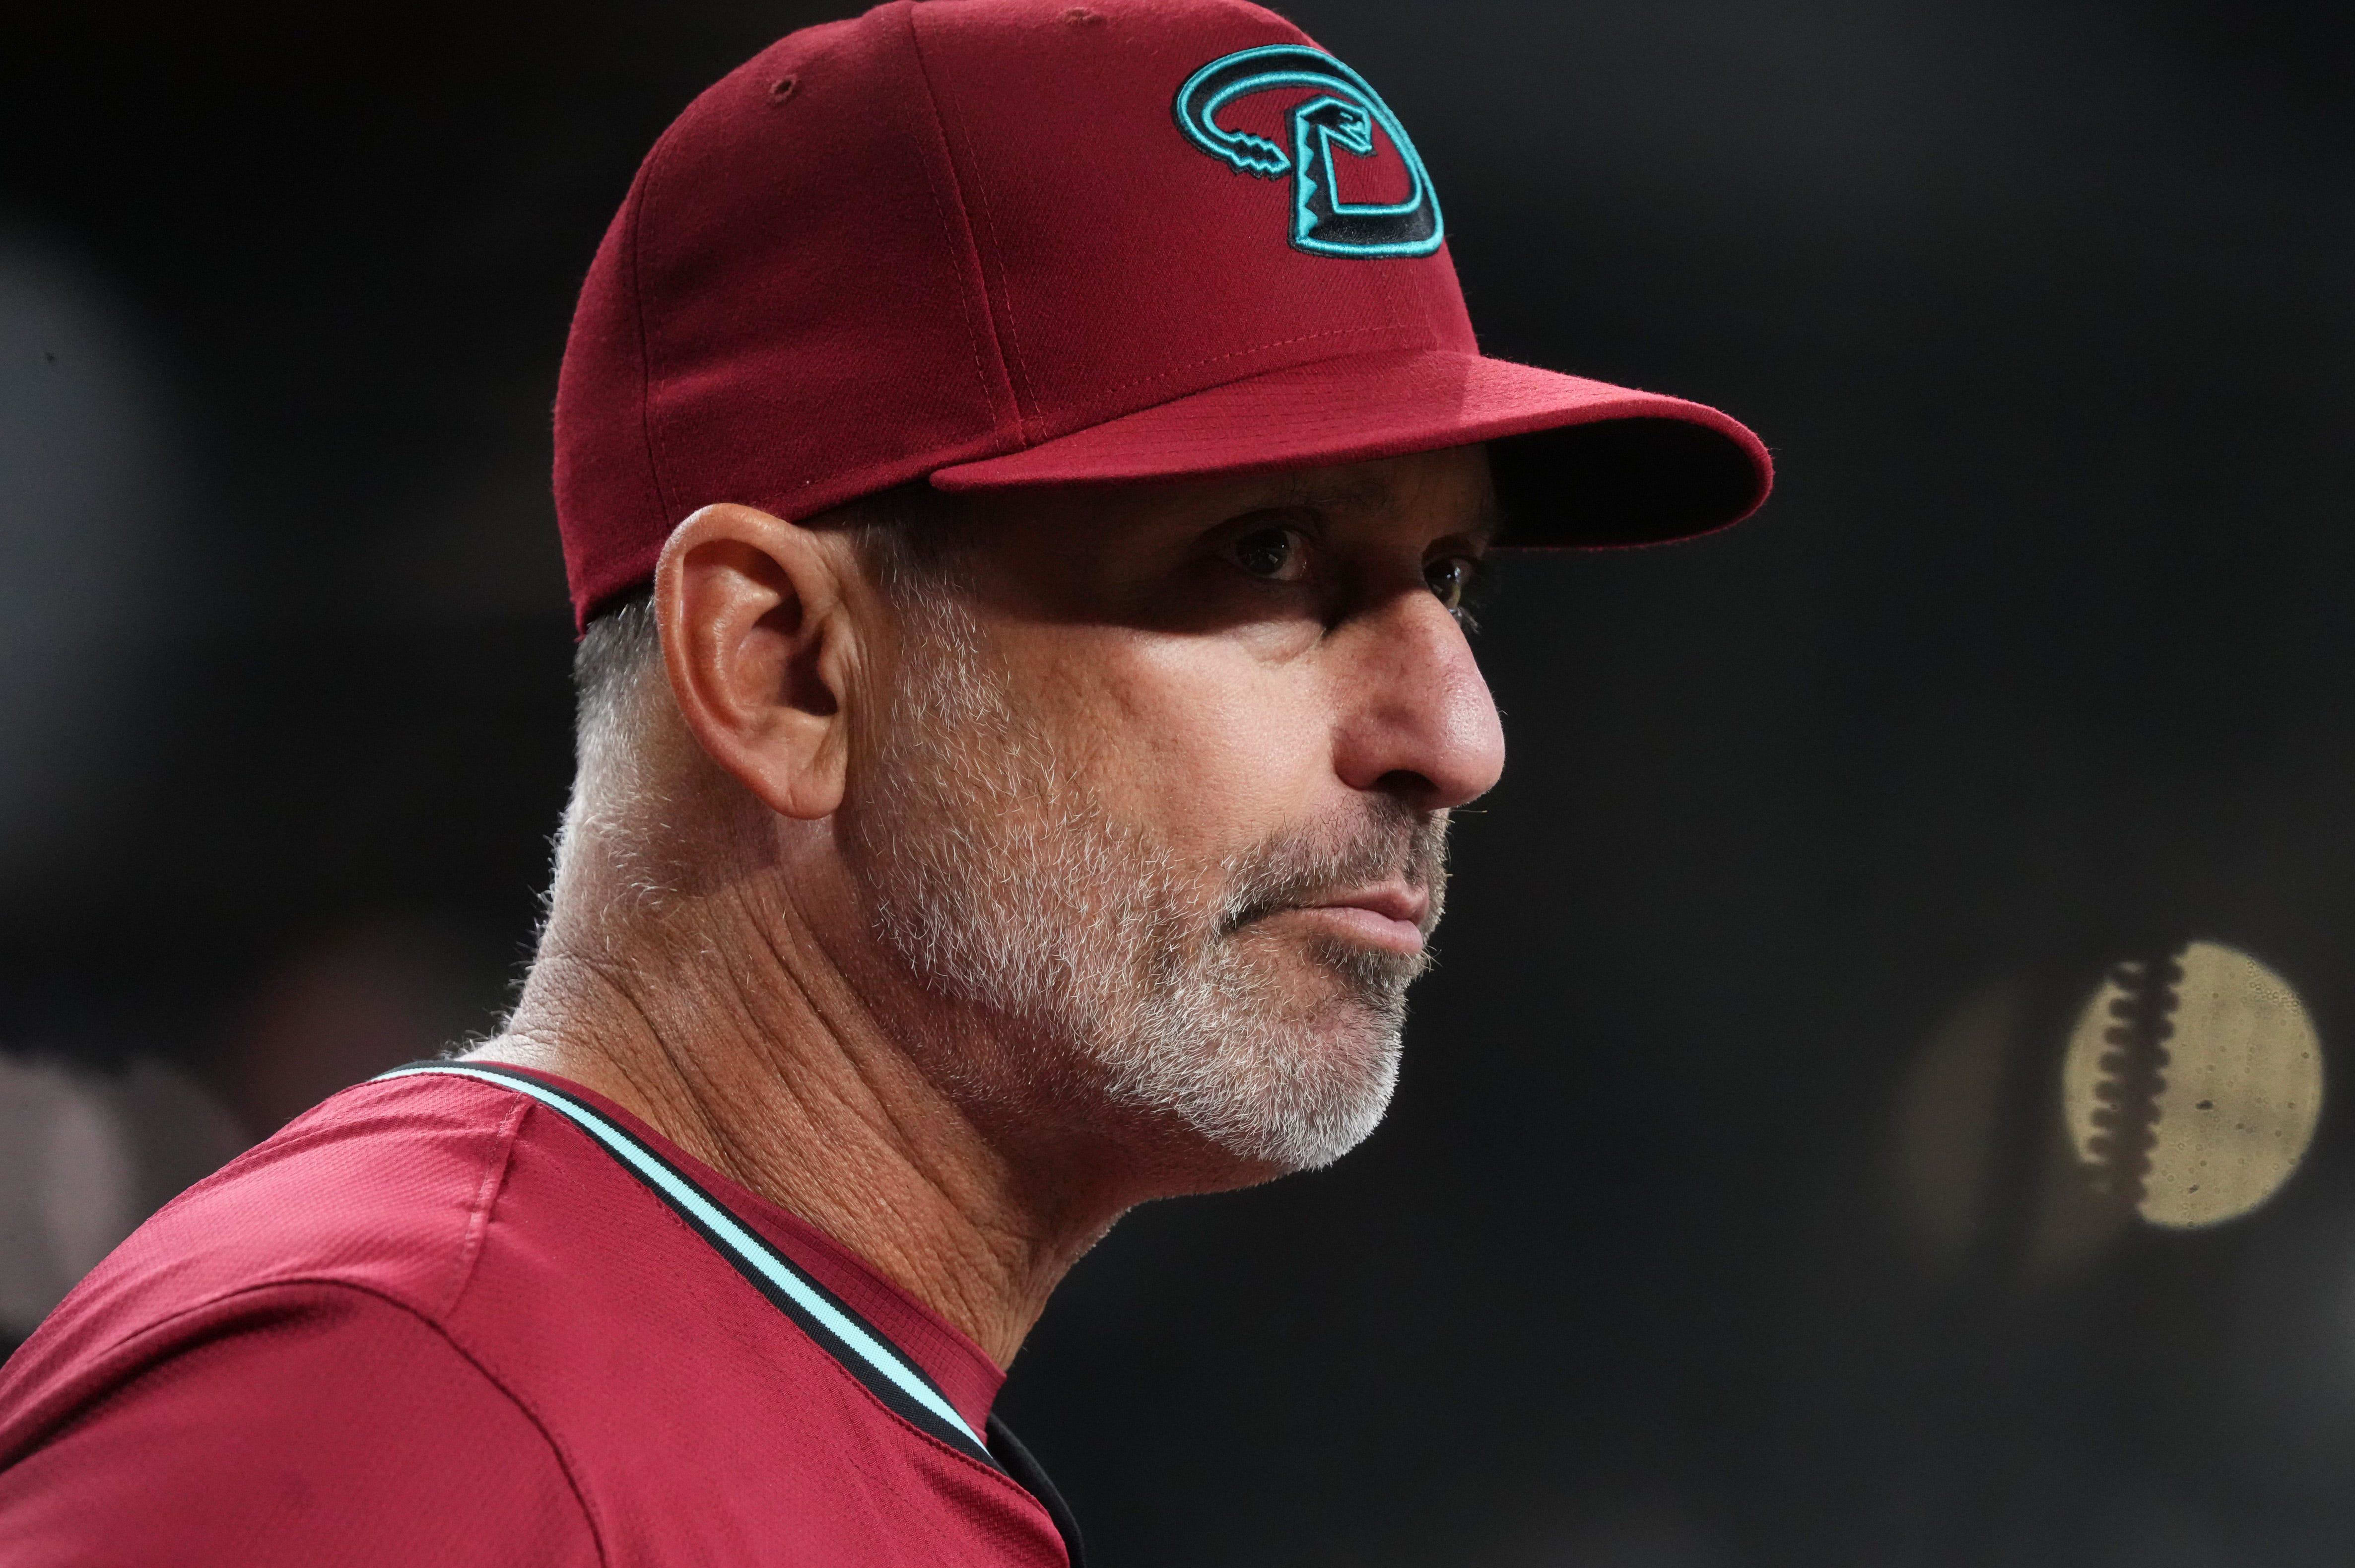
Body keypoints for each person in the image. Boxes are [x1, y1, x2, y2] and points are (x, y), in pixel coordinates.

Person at [0, 0, 1769, 1560]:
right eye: (1266, 553)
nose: (1459, 737)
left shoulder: (730, 1380)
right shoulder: (411, 1414)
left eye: (1448, 580)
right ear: (780, 666)